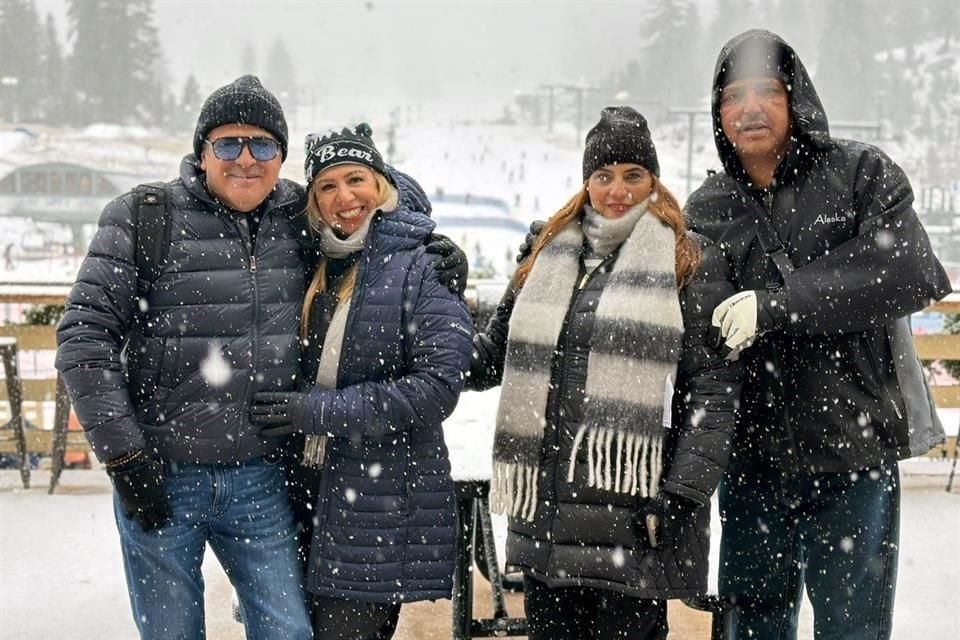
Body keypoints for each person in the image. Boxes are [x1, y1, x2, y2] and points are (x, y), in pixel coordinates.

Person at [55, 76, 465, 640]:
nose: (246, 159)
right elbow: (84, 336)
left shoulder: (296, 216)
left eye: (263, 145)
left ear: (280, 157)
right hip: (162, 472)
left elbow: (366, 202)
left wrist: (430, 242)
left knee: (288, 632)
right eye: (228, 144)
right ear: (202, 153)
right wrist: (125, 457)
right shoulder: (143, 217)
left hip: (260, 478)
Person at [684, 30, 953, 640]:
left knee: (854, 627)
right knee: (752, 625)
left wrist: (780, 305)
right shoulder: (710, 206)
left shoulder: (859, 174)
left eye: (767, 91)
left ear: (795, 97)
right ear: (718, 112)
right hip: (753, 461)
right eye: (733, 96)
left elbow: (909, 269)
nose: (750, 108)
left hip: (853, 456)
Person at [468, 106, 743, 640]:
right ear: (587, 182)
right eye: (604, 176)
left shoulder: (688, 262)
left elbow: (712, 390)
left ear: (653, 181)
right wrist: (430, 296)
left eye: (633, 175)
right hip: (549, 517)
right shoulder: (548, 257)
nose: (617, 190)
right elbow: (487, 358)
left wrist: (682, 493)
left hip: (638, 517)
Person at [248, 124, 474, 640]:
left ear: (382, 184)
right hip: (299, 495)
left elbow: (437, 387)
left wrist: (316, 411)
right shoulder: (311, 260)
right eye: (327, 186)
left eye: (356, 179)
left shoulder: (421, 266)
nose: (344, 198)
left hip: (374, 503)